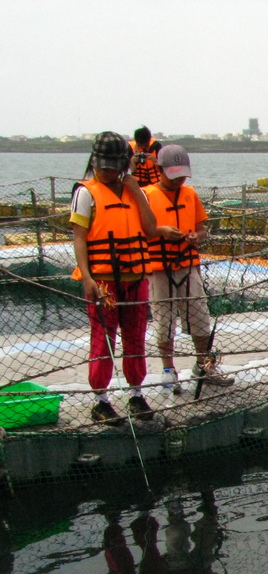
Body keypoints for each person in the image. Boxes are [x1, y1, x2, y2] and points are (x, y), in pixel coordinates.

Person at [70, 131, 159, 426]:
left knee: (135, 339)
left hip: (136, 279)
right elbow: (79, 238)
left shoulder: (137, 192)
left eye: (112, 165)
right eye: (102, 164)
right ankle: (101, 401)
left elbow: (149, 228)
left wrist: (136, 190)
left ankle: (136, 395)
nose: (106, 170)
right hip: (103, 281)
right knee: (103, 340)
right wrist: (87, 276)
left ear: (123, 164)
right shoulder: (85, 192)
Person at [143, 144, 234, 394]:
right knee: (163, 320)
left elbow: (202, 228)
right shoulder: (146, 195)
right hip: (159, 269)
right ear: (159, 169)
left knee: (200, 319)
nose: (178, 180)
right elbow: (141, 231)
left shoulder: (190, 194)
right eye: (173, 175)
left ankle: (203, 365)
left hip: (188, 265)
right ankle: (167, 370)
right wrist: (161, 232)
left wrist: (197, 236)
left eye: (182, 175)